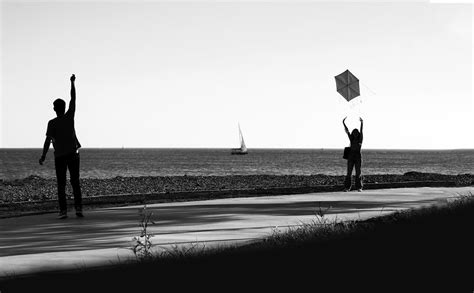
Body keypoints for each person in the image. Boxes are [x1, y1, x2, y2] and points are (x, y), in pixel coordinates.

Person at [39, 74, 83, 219]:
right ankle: (78, 209)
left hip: (60, 157)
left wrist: (43, 156)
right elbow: (73, 98)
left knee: (61, 184)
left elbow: (47, 141)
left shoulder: (52, 123)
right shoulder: (70, 115)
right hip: (72, 154)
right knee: (75, 182)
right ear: (63, 108)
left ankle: (63, 211)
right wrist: (72, 83)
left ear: (54, 109)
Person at [343, 117, 363, 192]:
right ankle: (347, 187)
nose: (355, 133)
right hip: (351, 156)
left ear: (358, 134)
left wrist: (362, 123)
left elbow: (361, 130)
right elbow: (347, 131)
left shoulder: (360, 139)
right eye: (354, 132)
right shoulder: (351, 139)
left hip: (358, 156)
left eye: (356, 132)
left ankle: (359, 187)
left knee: (358, 172)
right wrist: (343, 123)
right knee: (349, 172)